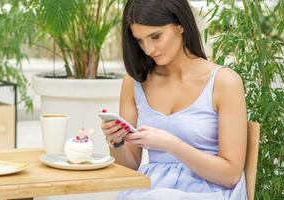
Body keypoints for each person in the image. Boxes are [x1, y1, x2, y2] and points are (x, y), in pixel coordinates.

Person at [101, 0, 248, 199]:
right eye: (140, 40)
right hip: (151, 189)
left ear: (180, 25)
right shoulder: (136, 81)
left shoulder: (224, 82)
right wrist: (117, 142)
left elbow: (230, 175)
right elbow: (129, 166)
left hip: (208, 190)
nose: (148, 49)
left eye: (155, 36)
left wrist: (170, 144)